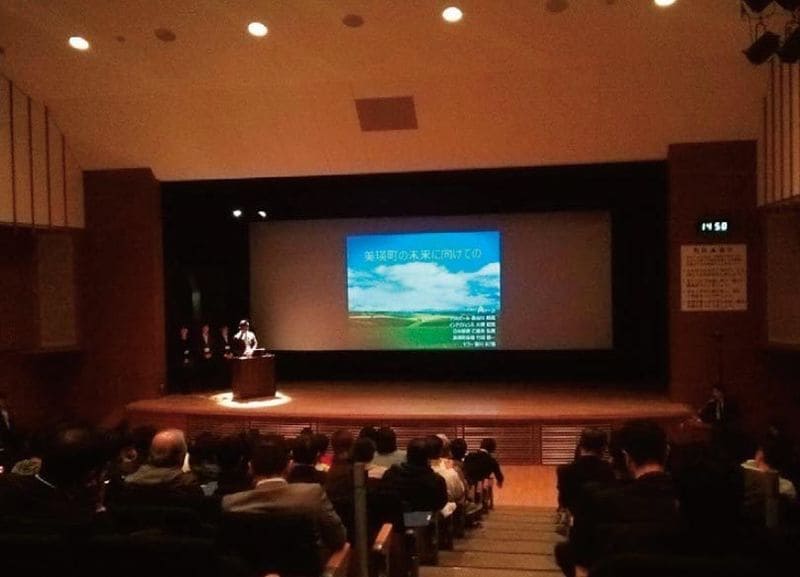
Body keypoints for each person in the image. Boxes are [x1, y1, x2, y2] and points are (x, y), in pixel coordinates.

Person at [559, 420, 680, 577]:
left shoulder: (598, 501)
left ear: (626, 457)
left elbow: (582, 562)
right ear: (667, 452)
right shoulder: (695, 502)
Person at [222, 435, 346, 554]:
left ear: (250, 468)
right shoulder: (312, 494)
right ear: (289, 467)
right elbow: (338, 538)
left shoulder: (230, 504)